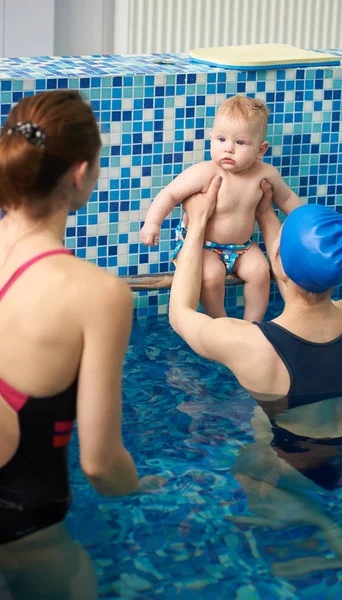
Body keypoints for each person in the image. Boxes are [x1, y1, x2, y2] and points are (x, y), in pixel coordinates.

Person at [169, 176, 342, 575]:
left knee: (246, 463)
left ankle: (316, 521)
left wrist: (197, 228)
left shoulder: (255, 346)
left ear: (279, 264)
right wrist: (265, 213)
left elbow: (181, 315)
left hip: (301, 460)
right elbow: (301, 275)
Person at [0, 91, 161, 600]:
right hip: (29, 532)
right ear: (81, 173)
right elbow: (99, 461)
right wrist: (141, 494)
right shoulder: (97, 293)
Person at [140, 95, 302, 322]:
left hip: (242, 248)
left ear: (260, 149)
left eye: (240, 142)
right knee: (211, 277)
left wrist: (307, 223)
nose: (229, 149)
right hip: (204, 248)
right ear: (211, 139)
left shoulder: (266, 174)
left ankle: (252, 324)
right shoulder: (205, 172)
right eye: (221, 139)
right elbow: (170, 193)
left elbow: (288, 199)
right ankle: (221, 322)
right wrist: (152, 223)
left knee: (260, 271)